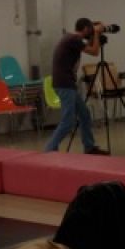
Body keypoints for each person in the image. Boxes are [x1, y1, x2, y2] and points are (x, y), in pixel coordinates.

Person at [44, 18, 108, 154]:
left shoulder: (70, 38)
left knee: (84, 114)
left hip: (65, 83)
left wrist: (95, 33)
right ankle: (49, 150)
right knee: (68, 121)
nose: (91, 32)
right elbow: (95, 52)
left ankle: (89, 147)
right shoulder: (74, 39)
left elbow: (88, 46)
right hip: (65, 84)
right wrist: (97, 33)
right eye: (90, 29)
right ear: (85, 29)